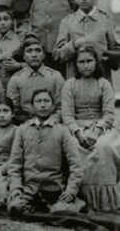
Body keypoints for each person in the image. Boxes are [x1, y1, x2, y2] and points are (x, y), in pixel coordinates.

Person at [59, 48, 120, 212]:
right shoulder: (70, 84)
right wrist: (78, 133)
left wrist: (97, 131)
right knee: (73, 146)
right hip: (76, 128)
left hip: (101, 127)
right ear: (76, 65)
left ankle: (105, 202)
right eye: (81, 62)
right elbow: (67, 114)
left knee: (104, 147)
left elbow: (109, 113)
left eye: (89, 61)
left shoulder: (104, 83)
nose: (85, 65)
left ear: (96, 63)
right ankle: (79, 197)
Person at [8, 90, 85, 214]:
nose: (42, 105)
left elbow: (76, 165)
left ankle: (61, 206)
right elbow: (14, 164)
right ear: (32, 106)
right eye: (38, 101)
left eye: (46, 101)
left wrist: (71, 190)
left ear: (53, 106)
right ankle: (35, 206)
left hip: (54, 189)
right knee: (15, 207)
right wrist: (15, 188)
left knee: (61, 211)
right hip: (28, 188)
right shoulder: (22, 130)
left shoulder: (62, 131)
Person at [54, 0, 119, 79]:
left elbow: (116, 49)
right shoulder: (67, 21)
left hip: (101, 80)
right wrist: (74, 44)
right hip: (75, 81)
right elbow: (58, 55)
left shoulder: (105, 19)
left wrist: (109, 58)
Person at [7, 34, 65, 124]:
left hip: (52, 124)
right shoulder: (16, 79)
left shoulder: (55, 77)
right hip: (24, 125)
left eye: (38, 51)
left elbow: (62, 107)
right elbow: (13, 109)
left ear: (44, 55)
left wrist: (49, 122)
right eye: (29, 51)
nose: (34, 55)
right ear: (23, 56)